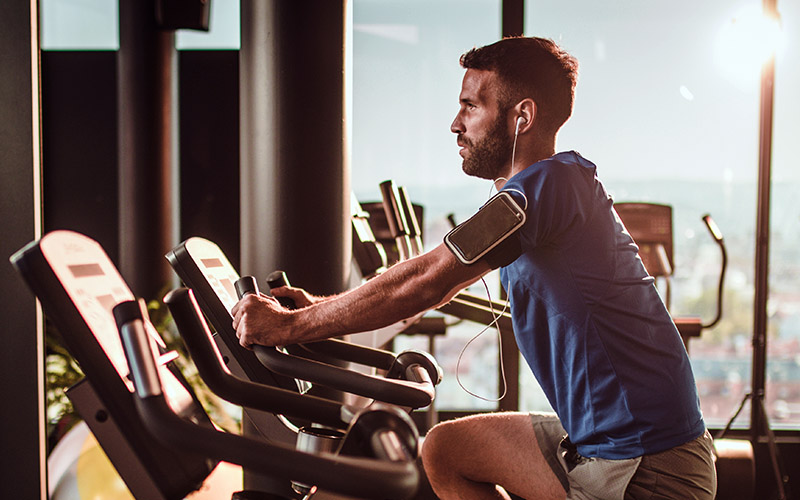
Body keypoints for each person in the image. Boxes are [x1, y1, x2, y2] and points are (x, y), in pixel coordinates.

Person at [233, 37, 717, 500]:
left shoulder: (547, 186)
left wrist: (292, 325)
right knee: (444, 451)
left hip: (650, 465)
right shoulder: (547, 192)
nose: (455, 124)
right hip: (600, 445)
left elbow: (433, 277)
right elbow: (436, 278)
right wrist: (320, 308)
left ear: (521, 117)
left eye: (470, 106)